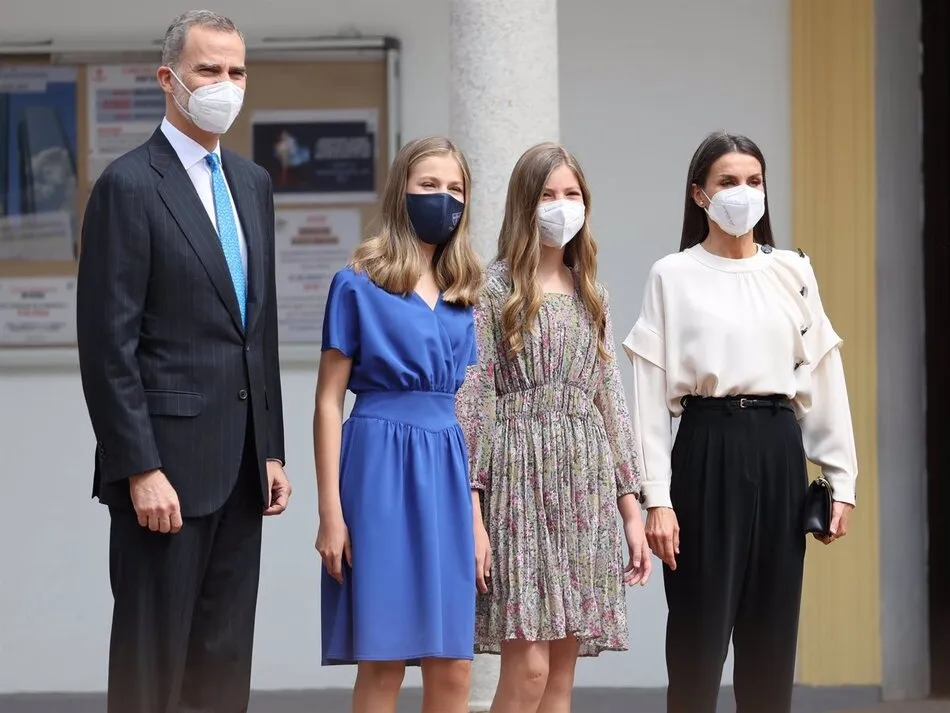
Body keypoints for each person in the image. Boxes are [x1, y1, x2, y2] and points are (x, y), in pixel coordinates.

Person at [75, 11, 291, 713]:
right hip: (163, 473)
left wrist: (274, 449)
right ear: (169, 80)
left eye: (237, 72)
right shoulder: (129, 186)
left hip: (240, 471)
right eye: (209, 70)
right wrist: (139, 466)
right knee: (152, 666)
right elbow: (109, 344)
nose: (225, 85)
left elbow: (254, 329)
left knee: (223, 663)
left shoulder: (253, 183)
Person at [622, 131, 858, 713]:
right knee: (698, 641)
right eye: (729, 181)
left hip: (780, 447)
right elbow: (648, 397)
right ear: (699, 194)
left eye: (754, 181)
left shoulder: (794, 271)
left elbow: (824, 376)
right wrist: (657, 499)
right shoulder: (671, 275)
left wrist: (841, 480)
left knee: (772, 636)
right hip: (706, 448)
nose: (743, 193)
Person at [455, 142, 651, 713]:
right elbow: (475, 398)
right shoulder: (493, 291)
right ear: (524, 203)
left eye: (572, 195)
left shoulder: (592, 293)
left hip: (584, 482)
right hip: (517, 482)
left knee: (562, 677)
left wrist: (631, 508)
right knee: (530, 672)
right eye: (548, 194)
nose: (562, 206)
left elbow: (609, 399)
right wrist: (473, 512)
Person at [314, 135, 484, 713]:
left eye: (455, 188)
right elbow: (328, 402)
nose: (444, 197)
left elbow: (471, 410)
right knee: (383, 659)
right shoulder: (357, 282)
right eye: (429, 185)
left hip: (448, 469)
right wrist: (330, 514)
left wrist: (479, 519)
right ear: (400, 193)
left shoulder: (468, 293)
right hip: (379, 464)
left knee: (454, 664)